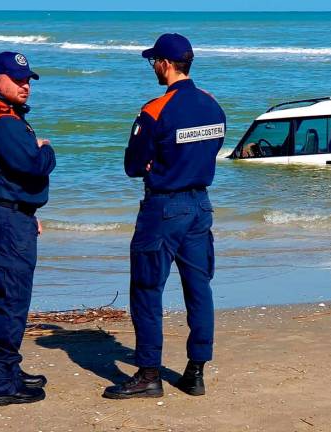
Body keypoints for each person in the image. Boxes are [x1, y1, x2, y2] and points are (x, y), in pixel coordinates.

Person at [103, 33, 226, 399]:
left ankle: (148, 373)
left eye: (153, 61)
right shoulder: (212, 104)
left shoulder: (155, 110)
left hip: (165, 207)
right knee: (199, 287)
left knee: (146, 288)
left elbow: (132, 165)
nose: (152, 67)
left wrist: (159, 162)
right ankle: (195, 371)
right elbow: (213, 147)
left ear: (166, 64)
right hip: (201, 205)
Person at [0, 51, 56, 406]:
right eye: (17, 80)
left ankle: (5, 368)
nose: (24, 86)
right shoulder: (1, 118)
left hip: (1, 211)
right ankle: (2, 382)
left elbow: (2, 173)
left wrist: (25, 208)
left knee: (2, 294)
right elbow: (33, 164)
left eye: (27, 80)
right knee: (11, 298)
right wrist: (47, 150)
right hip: (4, 220)